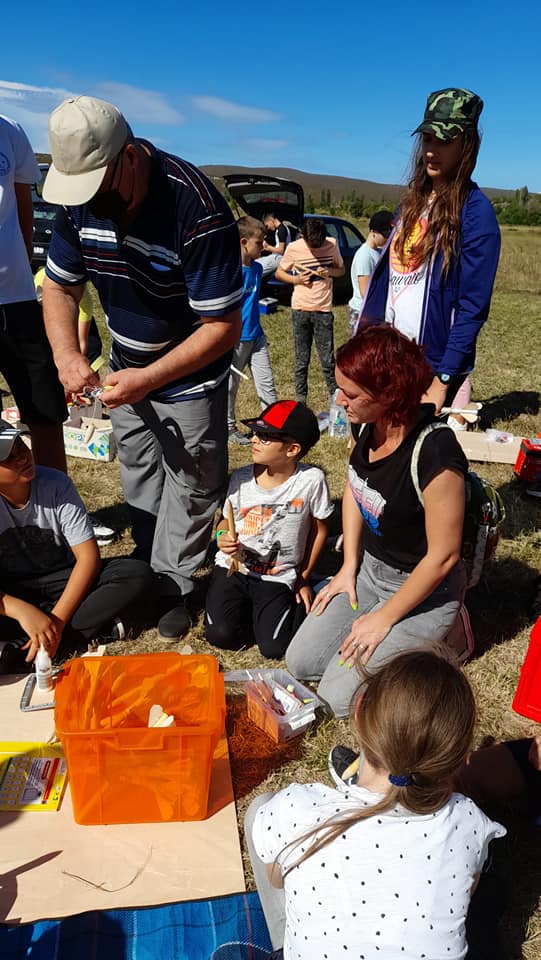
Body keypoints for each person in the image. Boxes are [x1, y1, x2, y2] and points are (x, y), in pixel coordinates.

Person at [41, 96, 242, 642]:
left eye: (98, 188)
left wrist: (150, 378)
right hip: (125, 370)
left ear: (129, 157)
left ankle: (176, 584)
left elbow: (221, 327)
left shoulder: (196, 208)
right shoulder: (79, 201)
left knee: (193, 480)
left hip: (189, 377)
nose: (90, 203)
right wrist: (68, 355)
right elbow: (59, 286)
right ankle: (151, 568)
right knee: (140, 469)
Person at [245, 650, 506, 959]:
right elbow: (467, 892)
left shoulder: (293, 810)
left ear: (358, 711)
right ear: (460, 758)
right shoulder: (467, 820)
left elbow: (276, 880)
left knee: (260, 808)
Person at [286, 324, 468, 718]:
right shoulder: (365, 423)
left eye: (350, 394)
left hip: (424, 588)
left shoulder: (436, 453)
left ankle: (451, 634)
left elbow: (444, 556)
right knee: (300, 661)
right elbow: (356, 485)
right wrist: (349, 566)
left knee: (336, 700)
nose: (338, 401)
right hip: (371, 572)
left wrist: (384, 619)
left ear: (389, 395)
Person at [360, 88, 500, 412]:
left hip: (429, 367)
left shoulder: (475, 212)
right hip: (390, 354)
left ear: (466, 145)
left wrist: (443, 379)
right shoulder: (411, 203)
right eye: (427, 139)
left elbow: (473, 307)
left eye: (444, 141)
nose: (431, 151)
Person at [0, 422, 153, 673]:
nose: (23, 457)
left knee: (135, 573)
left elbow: (88, 558)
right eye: (9, 456)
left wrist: (56, 623)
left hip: (64, 579)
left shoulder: (55, 483)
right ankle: (92, 629)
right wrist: (18, 609)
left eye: (21, 446)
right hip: (12, 591)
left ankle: (32, 646)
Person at [205, 400, 333, 658]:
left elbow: (319, 530)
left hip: (277, 576)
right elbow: (225, 520)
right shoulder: (241, 478)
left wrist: (302, 577)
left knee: (274, 648)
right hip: (235, 569)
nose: (254, 439)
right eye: (255, 432)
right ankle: (252, 612)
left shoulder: (311, 481)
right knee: (219, 635)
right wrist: (221, 536)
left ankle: (310, 592)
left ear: (292, 449)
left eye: (265, 436)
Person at [0, 114, 67, 472]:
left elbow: (23, 200)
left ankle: (57, 498)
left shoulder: (9, 130)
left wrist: (24, 262)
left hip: (16, 298)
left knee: (45, 409)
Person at [275, 218, 344, 406]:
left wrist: (329, 272)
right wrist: (296, 280)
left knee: (328, 360)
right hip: (300, 310)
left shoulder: (332, 244)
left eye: (319, 245)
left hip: (323, 310)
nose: (315, 249)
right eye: (311, 246)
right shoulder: (294, 248)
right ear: (303, 236)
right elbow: (279, 273)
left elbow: (341, 270)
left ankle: (336, 402)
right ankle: (301, 403)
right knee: (301, 360)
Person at [228, 216, 278, 445]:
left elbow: (278, 259)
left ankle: (273, 426)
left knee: (266, 382)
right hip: (236, 339)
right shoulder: (230, 271)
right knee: (231, 387)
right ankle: (229, 429)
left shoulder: (257, 268)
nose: (263, 246)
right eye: (259, 242)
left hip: (257, 337)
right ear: (243, 242)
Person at [34, 267, 104, 374]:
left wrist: (78, 367)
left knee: (88, 366)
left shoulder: (84, 304)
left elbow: (82, 343)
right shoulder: (37, 284)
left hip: (83, 330)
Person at [348, 210, 393, 331]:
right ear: (373, 232)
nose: (387, 239)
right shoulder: (365, 256)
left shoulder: (378, 252)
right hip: (362, 312)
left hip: (373, 311)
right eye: (385, 235)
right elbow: (366, 293)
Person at [256, 211, 291, 277]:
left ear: (271, 220)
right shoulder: (280, 229)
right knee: (256, 262)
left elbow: (281, 251)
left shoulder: (281, 230)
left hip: (279, 258)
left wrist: (268, 247)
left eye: (267, 225)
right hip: (276, 257)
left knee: (257, 270)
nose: (268, 228)